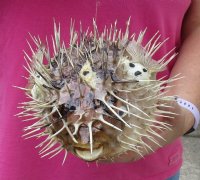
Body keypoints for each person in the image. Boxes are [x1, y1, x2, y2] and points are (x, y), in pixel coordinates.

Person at [0, 0, 199, 179]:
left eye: (113, 105)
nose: (85, 138)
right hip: (19, 163)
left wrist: (185, 105)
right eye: (65, 109)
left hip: (152, 164)